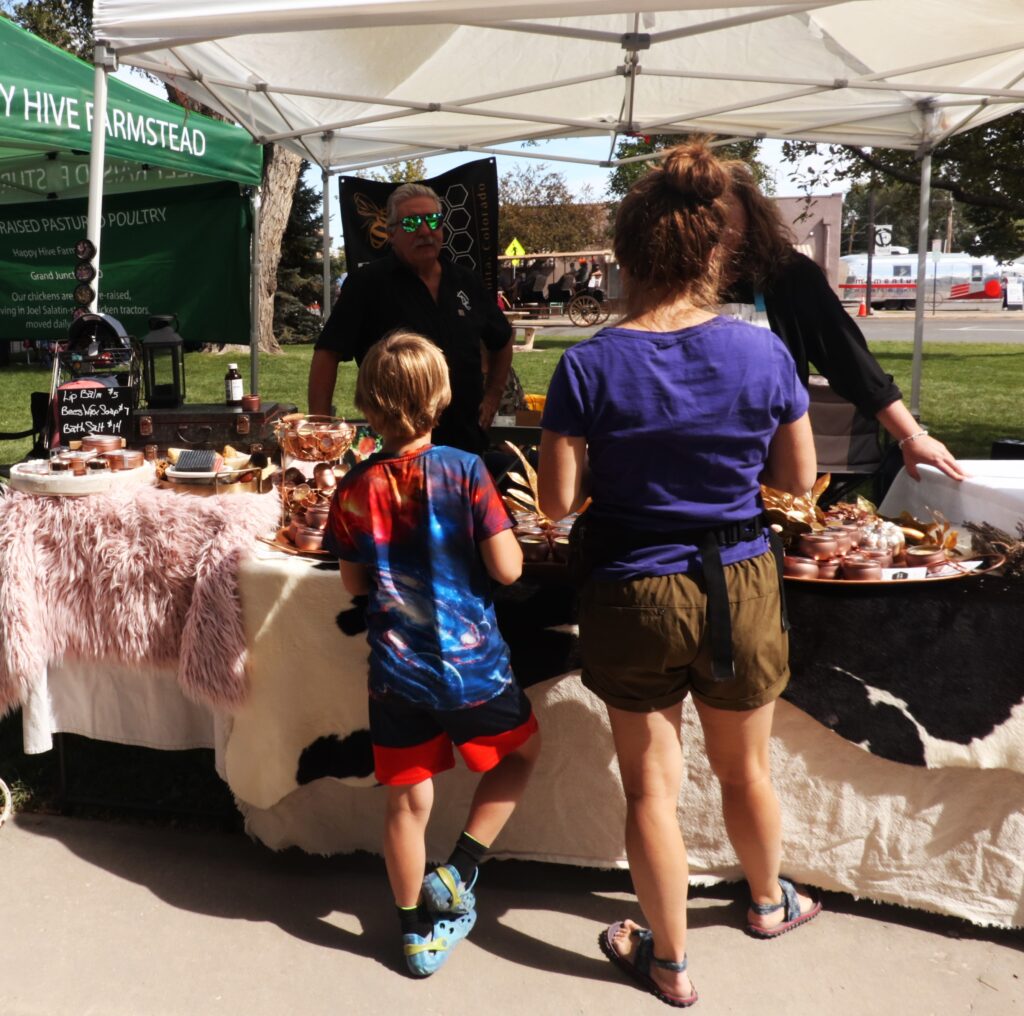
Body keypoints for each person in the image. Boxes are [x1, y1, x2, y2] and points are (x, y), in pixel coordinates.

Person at [537, 141, 820, 1009]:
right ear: (715, 252)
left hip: (633, 585)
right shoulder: (763, 355)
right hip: (739, 579)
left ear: (624, 258)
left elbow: (555, 503)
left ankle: (668, 961)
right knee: (748, 772)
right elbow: (797, 484)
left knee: (652, 786)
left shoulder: (587, 363)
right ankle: (769, 903)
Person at [323, 331, 540, 978]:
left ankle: (415, 935)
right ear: (441, 400)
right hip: (472, 669)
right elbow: (506, 570)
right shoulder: (466, 471)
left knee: (406, 804)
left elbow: (354, 583)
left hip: (396, 674)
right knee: (522, 753)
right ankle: (461, 870)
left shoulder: (355, 487)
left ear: (368, 404)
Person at [719, 161, 966, 483]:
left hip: (770, 460)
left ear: (750, 213)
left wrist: (911, 436)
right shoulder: (659, 280)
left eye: (721, 210)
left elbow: (847, 357)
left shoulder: (788, 275)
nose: (710, 225)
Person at [309, 183, 513, 456]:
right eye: (411, 223)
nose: (425, 231)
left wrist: (492, 396)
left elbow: (501, 339)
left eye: (432, 220)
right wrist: (321, 426)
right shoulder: (367, 284)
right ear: (391, 233)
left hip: (465, 441)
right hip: (396, 448)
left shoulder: (466, 281)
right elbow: (327, 352)